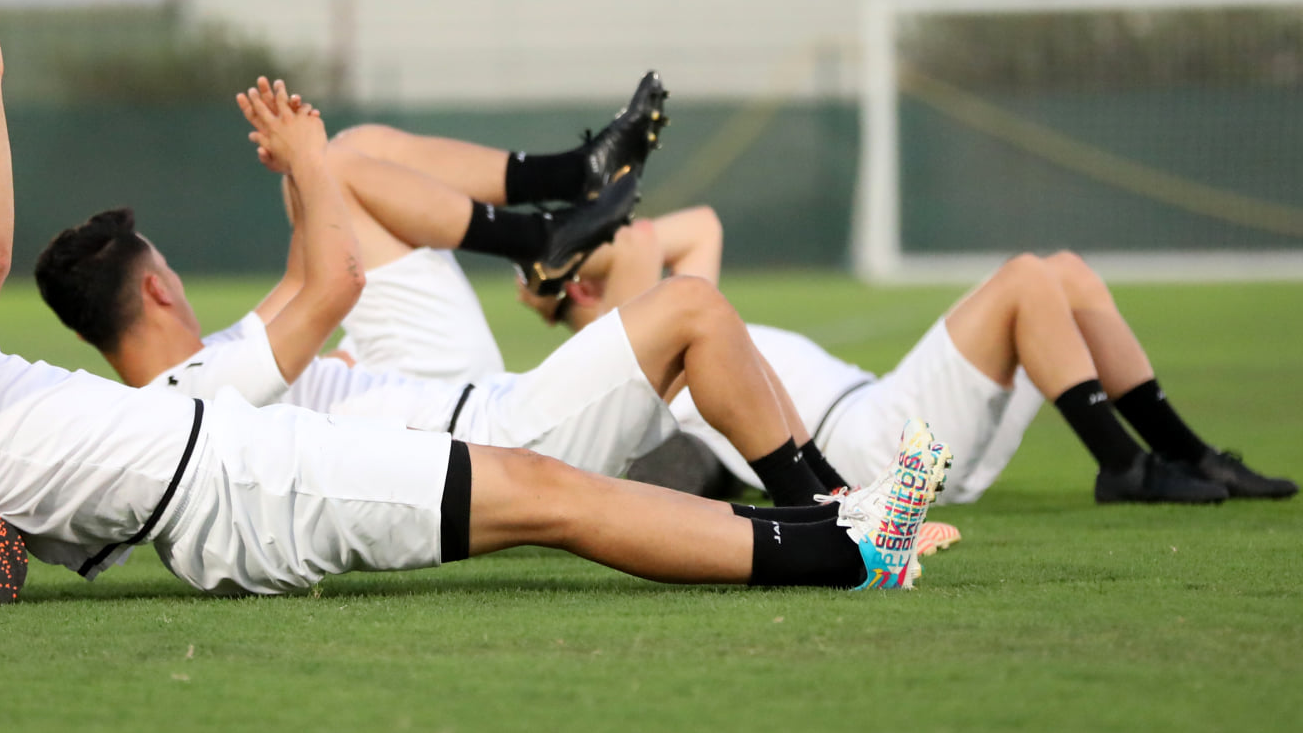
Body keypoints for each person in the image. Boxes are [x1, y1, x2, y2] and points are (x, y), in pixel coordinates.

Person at [0, 0, 947, 597]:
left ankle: (833, 531)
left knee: (540, 488)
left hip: (216, 474)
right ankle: (848, 546)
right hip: (229, 492)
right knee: (550, 496)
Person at [37, 79, 858, 510]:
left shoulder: (189, 383)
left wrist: (307, 169)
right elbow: (330, 284)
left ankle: (568, 193)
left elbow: (301, 277)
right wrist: (313, 166)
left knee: (346, 163)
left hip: (465, 406)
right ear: (157, 288)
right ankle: (834, 515)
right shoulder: (197, 394)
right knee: (697, 311)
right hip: (495, 432)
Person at [522, 208, 1297, 506]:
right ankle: (1122, 469)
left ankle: (1192, 457)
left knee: (1065, 275)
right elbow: (647, 241)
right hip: (869, 444)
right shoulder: (620, 348)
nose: (586, 287)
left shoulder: (685, 319)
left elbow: (702, 227)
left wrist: (563, 259)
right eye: (572, 291)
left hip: (889, 415)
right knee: (1028, 278)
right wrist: (554, 271)